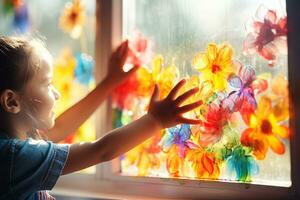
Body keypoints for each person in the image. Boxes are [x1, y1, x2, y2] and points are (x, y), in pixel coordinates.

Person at [0, 36, 202, 199]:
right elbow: (102, 150)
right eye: (47, 84)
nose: (57, 93)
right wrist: (155, 121)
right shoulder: (13, 157)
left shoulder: (20, 139)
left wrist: (109, 83)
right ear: (11, 102)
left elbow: (61, 127)